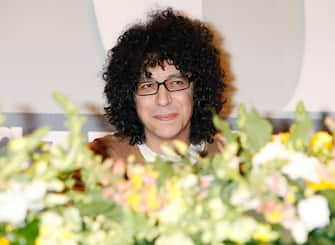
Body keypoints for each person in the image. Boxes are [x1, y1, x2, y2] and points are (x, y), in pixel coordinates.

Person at [90, 8, 227, 163]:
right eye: (147, 85)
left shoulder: (232, 163)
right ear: (130, 97)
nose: (163, 99)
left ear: (199, 90)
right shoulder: (97, 161)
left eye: (176, 83)